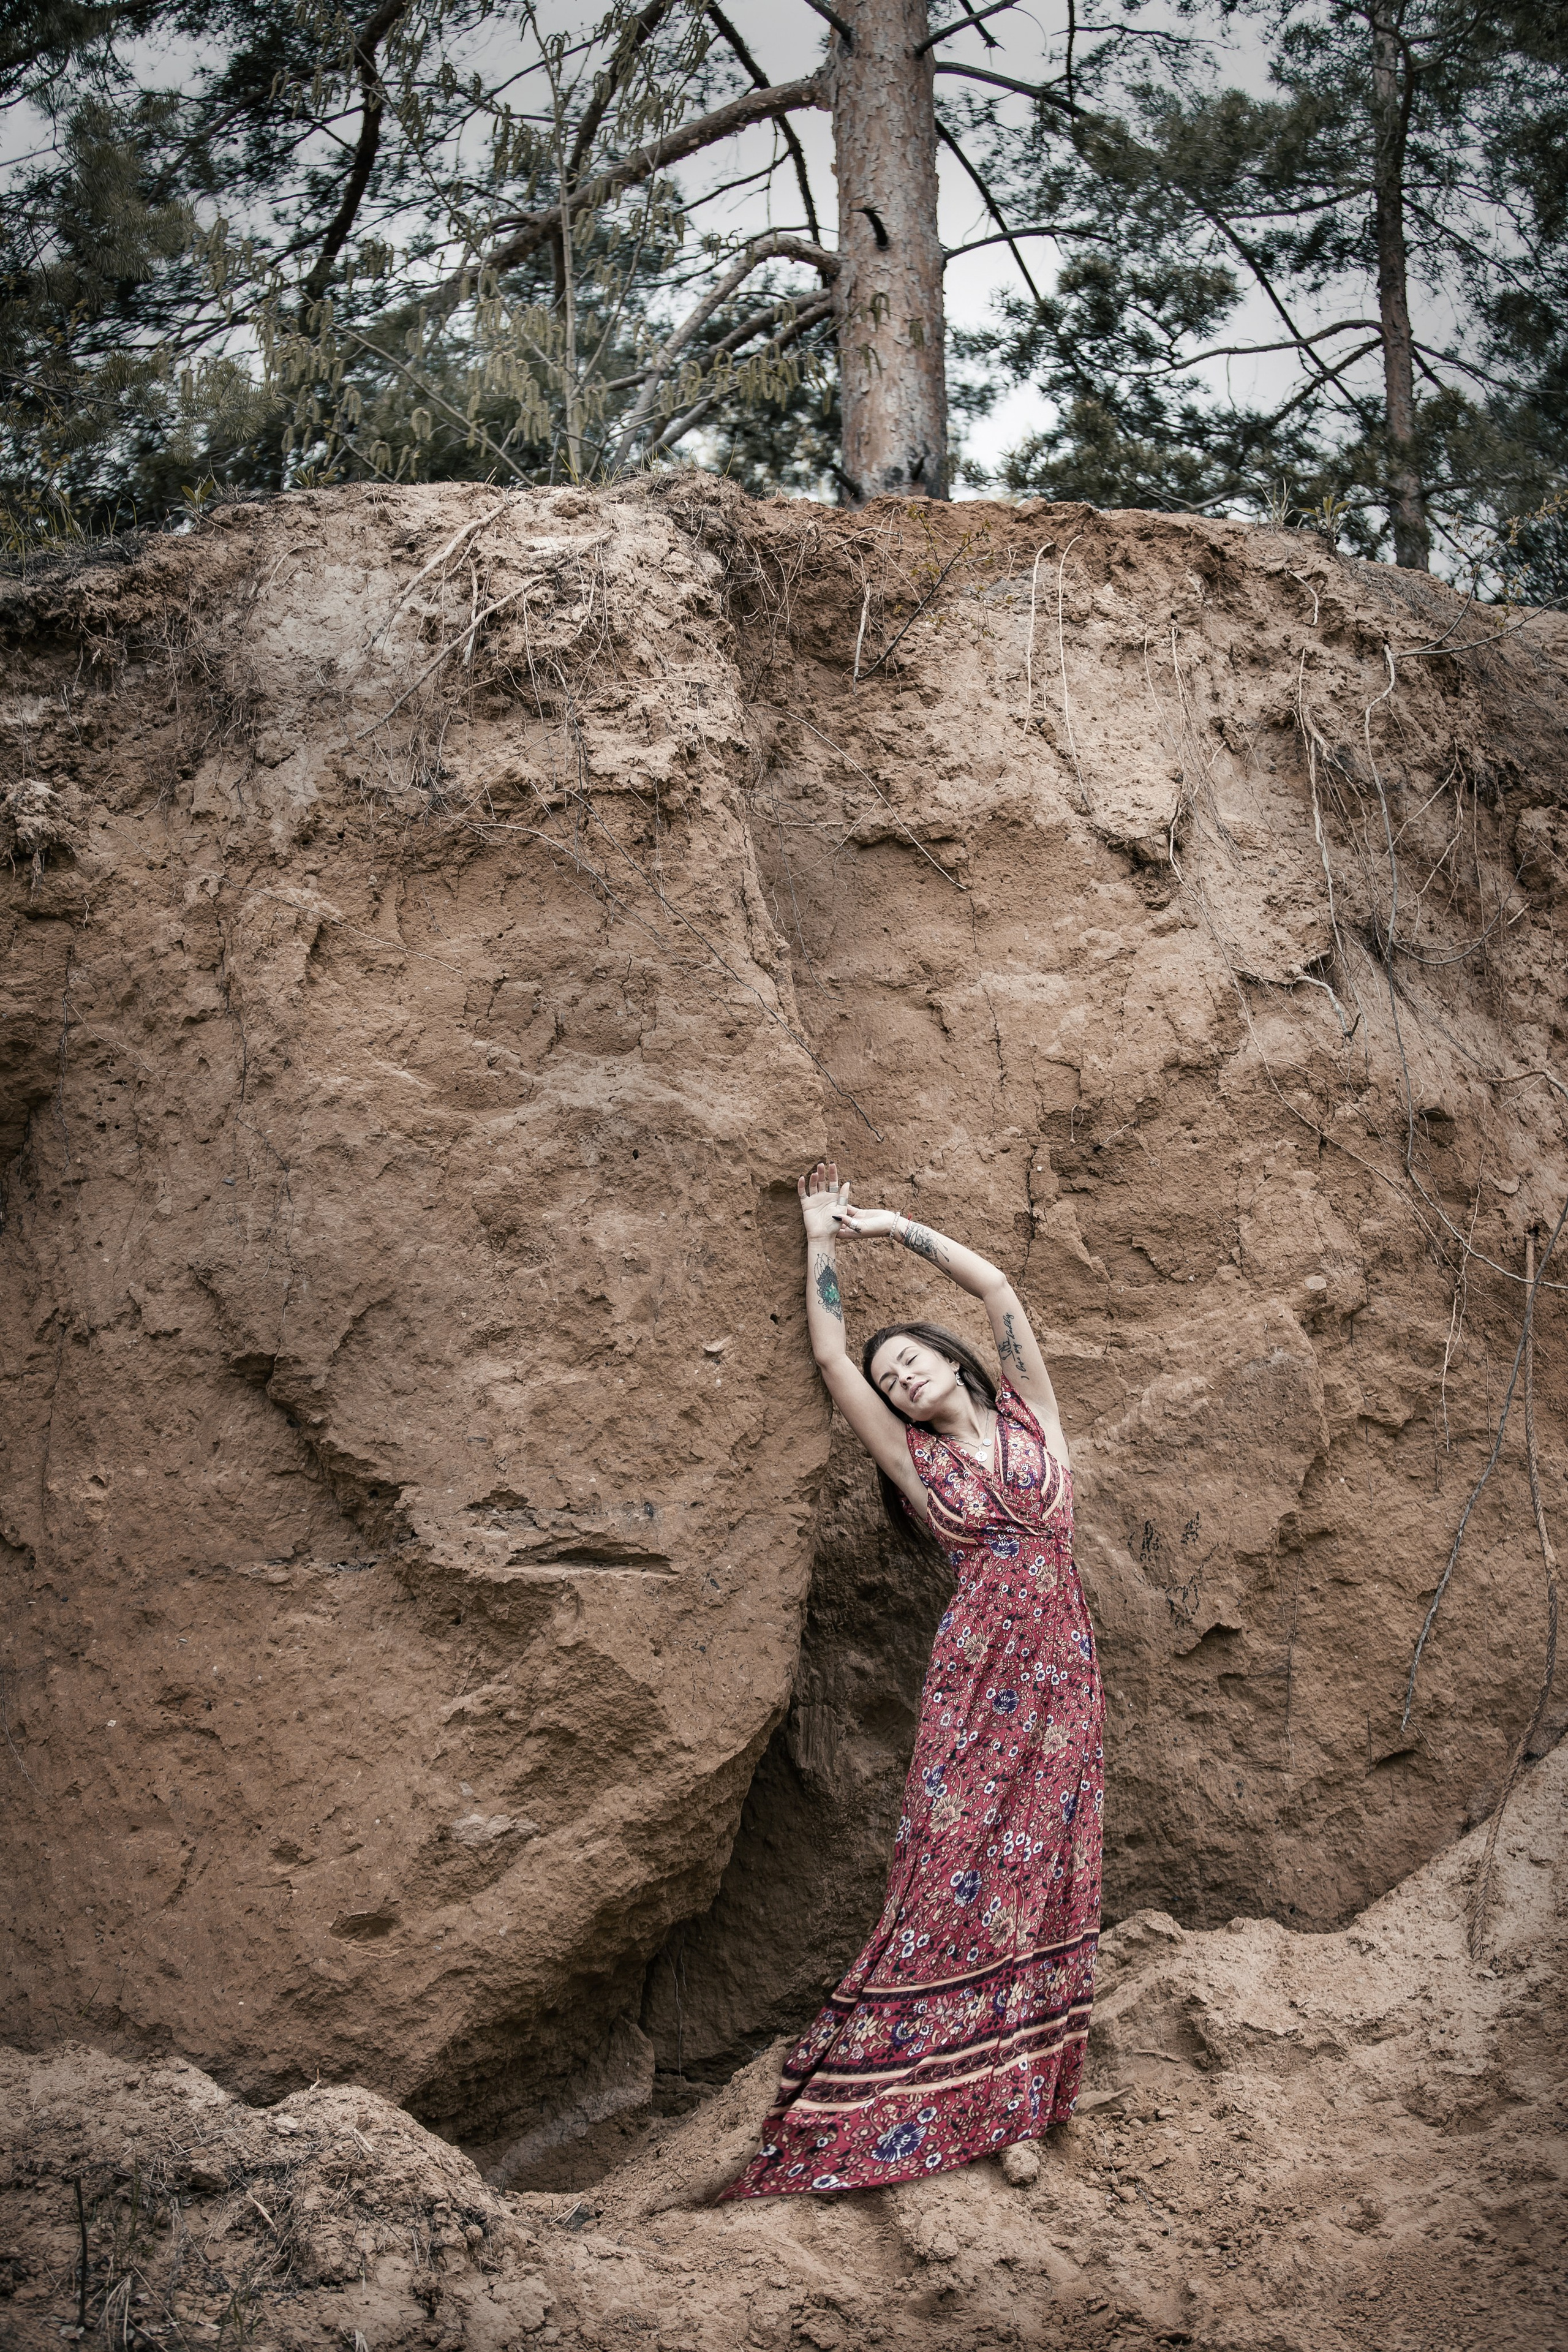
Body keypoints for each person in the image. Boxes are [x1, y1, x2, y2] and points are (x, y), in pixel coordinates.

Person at [722, 1161, 1104, 2200]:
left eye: (911, 1364)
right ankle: (925, 2087)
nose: (897, 1379)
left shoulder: (1031, 1415)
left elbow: (999, 1295)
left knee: (1041, 1880)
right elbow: (832, 1354)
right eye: (891, 1380)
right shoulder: (912, 1462)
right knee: (952, 1869)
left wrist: (892, 1226)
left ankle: (1014, 2103)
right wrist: (819, 1241)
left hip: (1065, 1677)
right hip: (978, 1679)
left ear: (950, 1363)